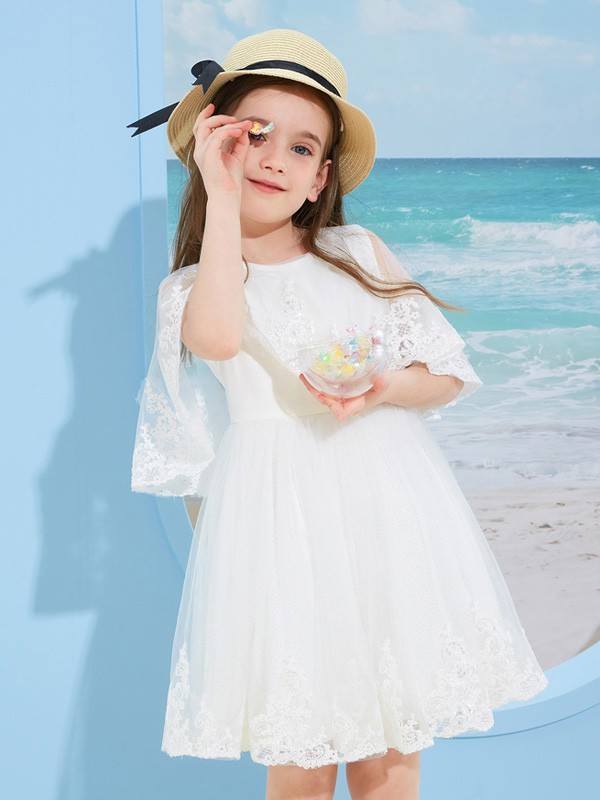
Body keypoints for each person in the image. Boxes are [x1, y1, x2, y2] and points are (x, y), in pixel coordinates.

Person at [127, 28, 548, 800]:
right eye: (255, 136)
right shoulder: (195, 286)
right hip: (280, 523)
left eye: (301, 148)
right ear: (216, 144)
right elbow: (218, 339)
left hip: (386, 512)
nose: (273, 160)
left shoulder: (360, 256)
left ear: (320, 177)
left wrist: (381, 388)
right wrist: (220, 199)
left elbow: (447, 375)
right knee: (302, 750)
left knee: (390, 742)